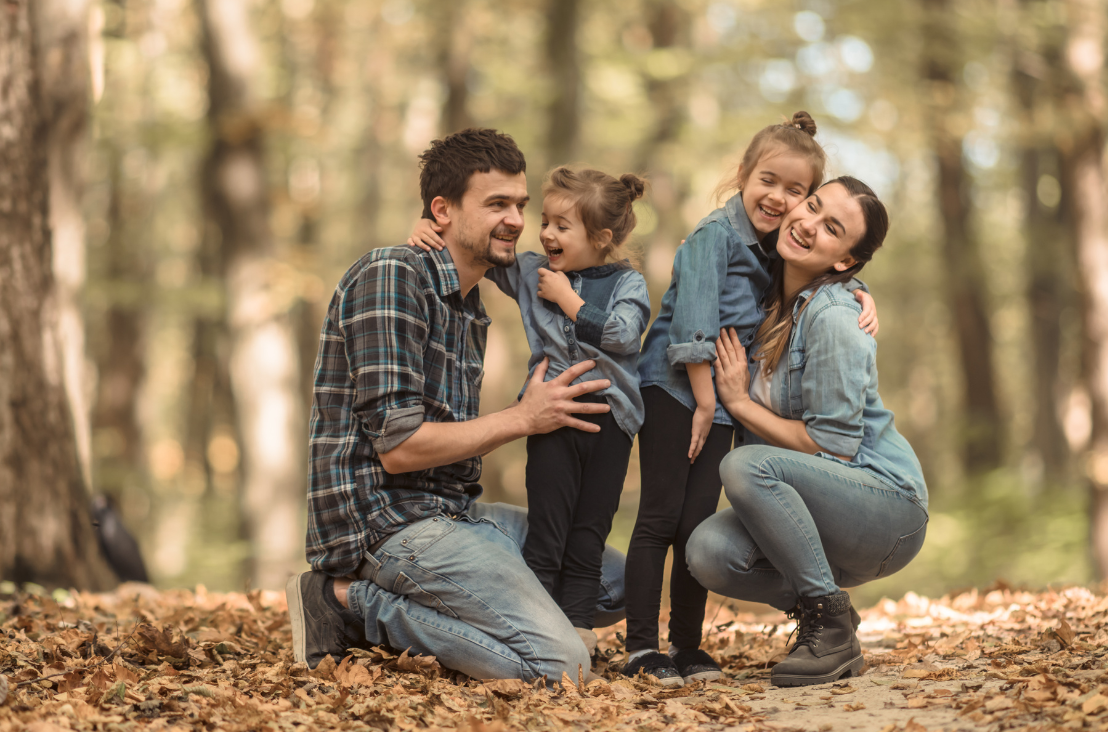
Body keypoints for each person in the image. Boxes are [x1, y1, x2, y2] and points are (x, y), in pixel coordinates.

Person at [287, 128, 628, 683]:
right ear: (441, 211)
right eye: (497, 204)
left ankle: (466, 616)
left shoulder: (469, 306)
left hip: (457, 515)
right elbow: (399, 449)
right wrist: (525, 418)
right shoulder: (391, 276)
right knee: (563, 665)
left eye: (520, 204)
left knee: (616, 583)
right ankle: (347, 602)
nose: (517, 219)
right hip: (385, 526)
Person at [623, 111, 879, 686]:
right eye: (768, 180)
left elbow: (817, 274)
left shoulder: (773, 247)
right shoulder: (713, 237)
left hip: (717, 396)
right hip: (675, 390)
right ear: (742, 174)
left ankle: (687, 647)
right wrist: (709, 403)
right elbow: (691, 327)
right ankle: (642, 645)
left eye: (798, 191)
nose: (779, 198)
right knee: (660, 517)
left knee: (694, 526)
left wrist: (860, 289)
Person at [687, 176, 928, 688]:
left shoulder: (837, 317)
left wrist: (736, 403)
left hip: (887, 507)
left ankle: (829, 626)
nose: (807, 223)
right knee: (708, 551)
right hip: (822, 512)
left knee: (745, 465)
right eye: (812, 206)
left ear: (844, 260)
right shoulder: (767, 291)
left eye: (831, 227)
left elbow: (832, 445)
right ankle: (832, 611)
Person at [406, 166, 651, 656]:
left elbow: (625, 335)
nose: (546, 233)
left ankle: (577, 628)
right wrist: (428, 229)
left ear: (601, 238)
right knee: (548, 530)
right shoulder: (531, 267)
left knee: (588, 534)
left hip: (611, 424)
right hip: (552, 419)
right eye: (547, 221)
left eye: (563, 225)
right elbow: (479, 254)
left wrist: (571, 301)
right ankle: (537, 629)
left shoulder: (628, 283)